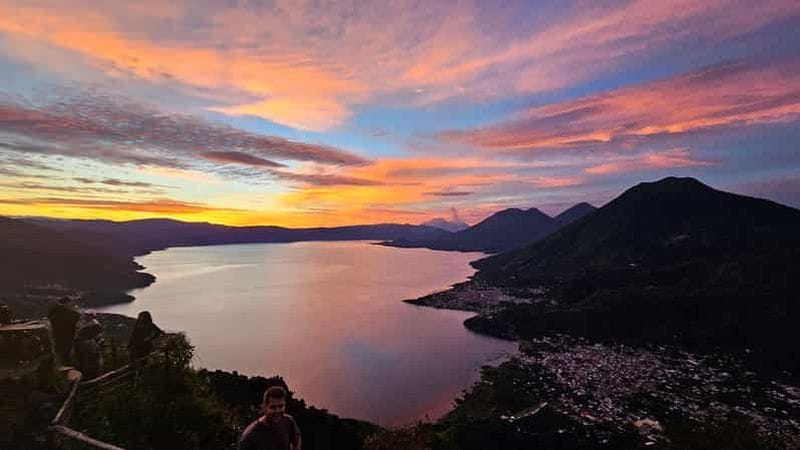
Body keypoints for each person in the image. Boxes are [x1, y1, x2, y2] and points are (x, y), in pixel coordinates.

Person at [238, 386, 302, 450]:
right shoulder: (250, 435)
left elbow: (297, 438)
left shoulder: (288, 421)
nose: (277, 411)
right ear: (264, 407)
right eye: (273, 407)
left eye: (281, 406)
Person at [48, 297, 80, 364]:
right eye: (70, 302)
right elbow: (76, 317)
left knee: (59, 349)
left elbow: (50, 318)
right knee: (67, 350)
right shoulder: (70, 312)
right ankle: (66, 364)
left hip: (57, 333)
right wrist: (75, 309)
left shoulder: (54, 310)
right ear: (67, 302)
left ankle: (59, 363)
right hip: (68, 334)